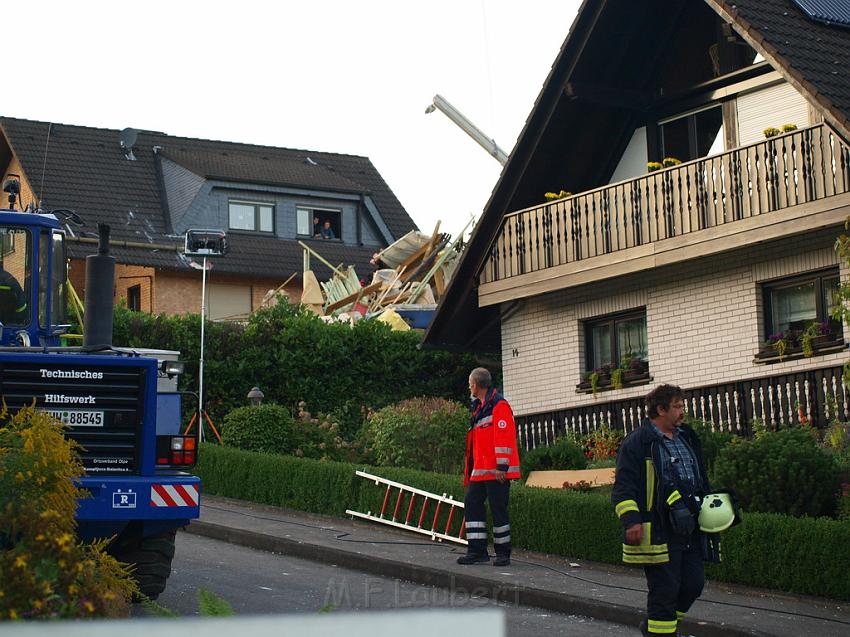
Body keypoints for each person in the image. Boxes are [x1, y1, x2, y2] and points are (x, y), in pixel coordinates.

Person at [612, 384, 712, 636]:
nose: (682, 412)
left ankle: (655, 626)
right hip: (659, 529)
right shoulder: (638, 443)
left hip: (690, 526)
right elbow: (624, 487)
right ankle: (661, 630)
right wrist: (631, 521)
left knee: (693, 584)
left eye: (682, 405)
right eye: (677, 406)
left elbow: (700, 477)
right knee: (665, 590)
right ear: (660, 409)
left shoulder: (687, 437)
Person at [456, 367, 520, 567]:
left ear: (475, 384)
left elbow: (504, 437)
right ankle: (477, 551)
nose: (469, 387)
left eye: (469, 383)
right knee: (472, 504)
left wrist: (502, 466)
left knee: (498, 510)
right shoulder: (480, 407)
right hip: (482, 471)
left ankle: (503, 554)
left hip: (496, 472)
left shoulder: (498, 406)